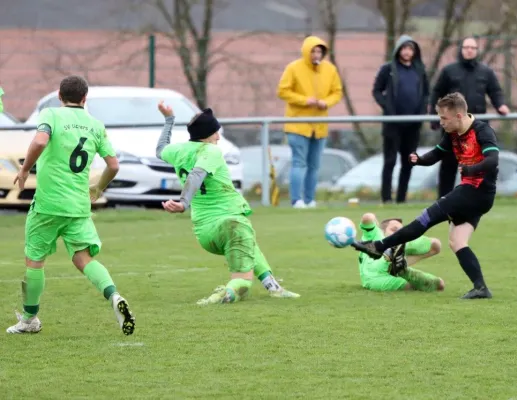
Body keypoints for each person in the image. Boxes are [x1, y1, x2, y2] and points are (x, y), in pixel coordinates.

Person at [8, 75, 135, 334]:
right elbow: (113, 165)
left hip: (47, 204)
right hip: (78, 206)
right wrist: (98, 188)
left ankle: (30, 320)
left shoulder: (51, 114)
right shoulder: (95, 125)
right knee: (83, 259)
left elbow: (41, 140)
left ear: (59, 95)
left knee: (34, 261)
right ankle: (114, 296)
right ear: (85, 99)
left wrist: (25, 169)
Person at [351, 93, 498, 300]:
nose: (441, 122)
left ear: (458, 116)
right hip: (472, 193)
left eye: (444, 119)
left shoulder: (482, 131)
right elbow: (438, 153)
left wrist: (472, 169)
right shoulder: (453, 132)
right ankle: (481, 288)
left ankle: (378, 247)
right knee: (457, 242)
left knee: (425, 218)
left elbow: (493, 160)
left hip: (477, 192)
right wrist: (419, 160)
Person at [154, 101, 300, 305]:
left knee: (250, 246)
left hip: (203, 230)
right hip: (229, 224)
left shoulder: (179, 150)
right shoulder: (210, 151)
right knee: (242, 281)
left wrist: (169, 120)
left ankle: (273, 287)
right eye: (216, 133)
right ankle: (224, 293)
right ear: (207, 135)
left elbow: (160, 149)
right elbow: (197, 174)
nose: (218, 137)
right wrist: (183, 202)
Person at [430, 36, 509, 199]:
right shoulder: (449, 71)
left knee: (477, 164)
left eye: (473, 48)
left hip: (477, 127)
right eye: (466, 47)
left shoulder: (486, 72)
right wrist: (434, 116)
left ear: (477, 51)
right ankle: (443, 200)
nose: (469, 50)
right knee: (448, 164)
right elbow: (436, 93)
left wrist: (500, 105)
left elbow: (495, 91)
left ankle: (475, 198)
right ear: (461, 49)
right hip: (453, 127)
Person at [277, 35, 343, 209]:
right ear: (306, 52)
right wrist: (304, 100)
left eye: (319, 51)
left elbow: (337, 92)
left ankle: (310, 199)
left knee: (314, 164)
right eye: (313, 51)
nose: (316, 54)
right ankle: (296, 200)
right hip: (298, 124)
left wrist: (326, 102)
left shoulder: (330, 70)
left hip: (320, 125)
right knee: (299, 162)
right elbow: (283, 91)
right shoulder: (294, 68)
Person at [372, 35, 429, 203]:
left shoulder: (420, 70)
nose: (407, 52)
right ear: (398, 50)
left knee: (408, 162)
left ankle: (401, 199)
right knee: (390, 161)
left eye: (410, 49)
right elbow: (376, 91)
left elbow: (426, 93)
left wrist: (422, 110)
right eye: (404, 48)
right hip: (392, 124)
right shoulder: (388, 69)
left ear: (414, 52)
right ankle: (386, 198)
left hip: (413, 124)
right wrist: (388, 107)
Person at [357, 213, 444, 292]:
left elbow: (436, 247)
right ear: (382, 231)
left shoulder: (403, 243)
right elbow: (367, 218)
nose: (398, 233)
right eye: (394, 230)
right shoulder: (375, 234)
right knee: (410, 286)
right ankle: (397, 266)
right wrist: (373, 217)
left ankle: (399, 266)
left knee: (440, 284)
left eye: (401, 231)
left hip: (397, 267)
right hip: (376, 278)